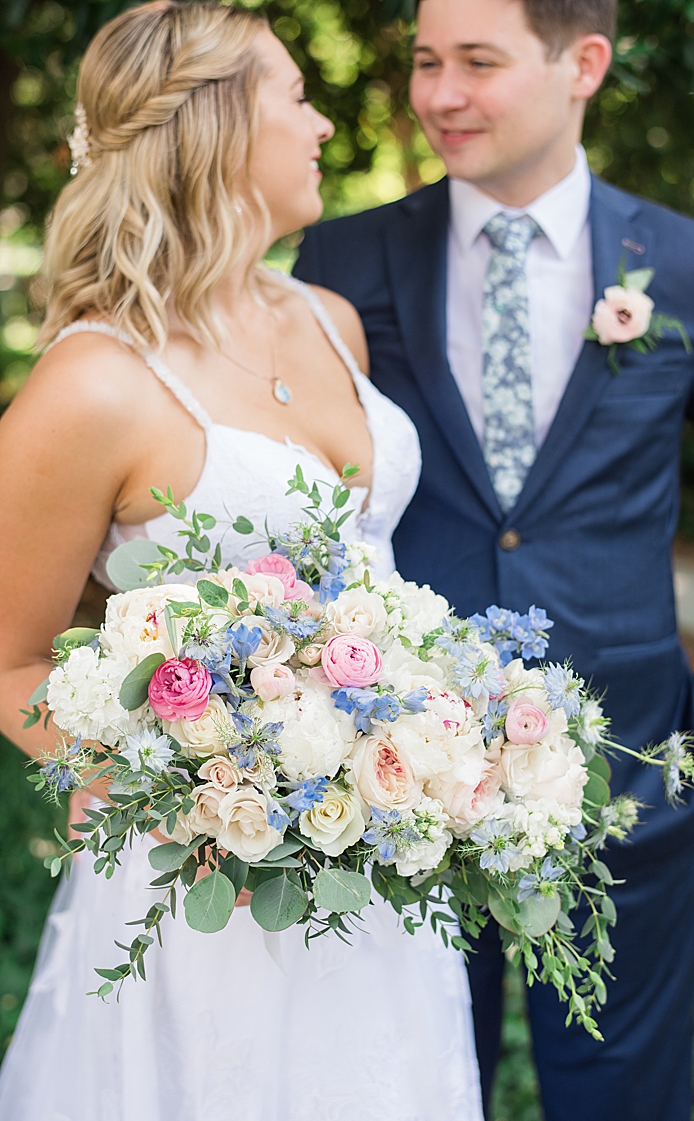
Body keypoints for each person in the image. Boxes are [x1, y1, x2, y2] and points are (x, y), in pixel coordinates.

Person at [0, 4, 484, 1118]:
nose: (322, 125)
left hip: (381, 866)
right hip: (201, 901)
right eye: (297, 97)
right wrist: (150, 786)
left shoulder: (328, 319)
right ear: (218, 125)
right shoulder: (96, 384)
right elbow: (11, 653)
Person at [290, 1, 694, 1117]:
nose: (440, 95)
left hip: (630, 767)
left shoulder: (685, 263)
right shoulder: (346, 258)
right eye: (426, 63)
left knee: (624, 1095)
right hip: (396, 774)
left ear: (581, 64)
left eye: (478, 64)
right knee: (411, 1086)